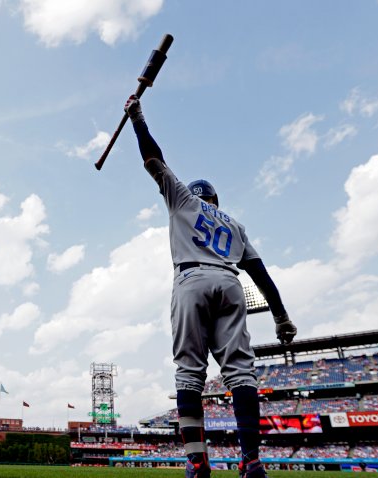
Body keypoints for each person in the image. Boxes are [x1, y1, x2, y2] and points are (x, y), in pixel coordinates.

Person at [124, 95, 297, 478]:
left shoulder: (183, 199)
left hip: (191, 278)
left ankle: (198, 461)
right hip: (230, 282)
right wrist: (282, 317)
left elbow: (154, 161)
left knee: (189, 373)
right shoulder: (234, 224)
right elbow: (261, 273)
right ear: (216, 199)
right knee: (240, 373)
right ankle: (251, 460)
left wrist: (137, 118)